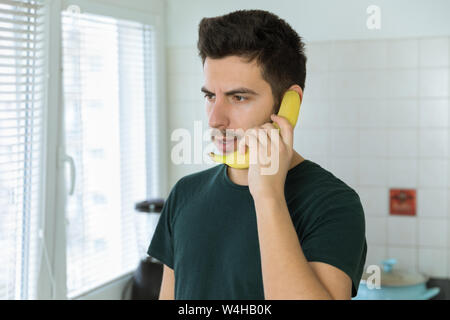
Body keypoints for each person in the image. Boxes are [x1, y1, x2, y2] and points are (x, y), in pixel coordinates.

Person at [147, 9, 367, 300]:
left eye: (238, 98)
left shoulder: (334, 204)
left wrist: (268, 196)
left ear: (289, 104)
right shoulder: (185, 194)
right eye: (210, 96)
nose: (215, 119)